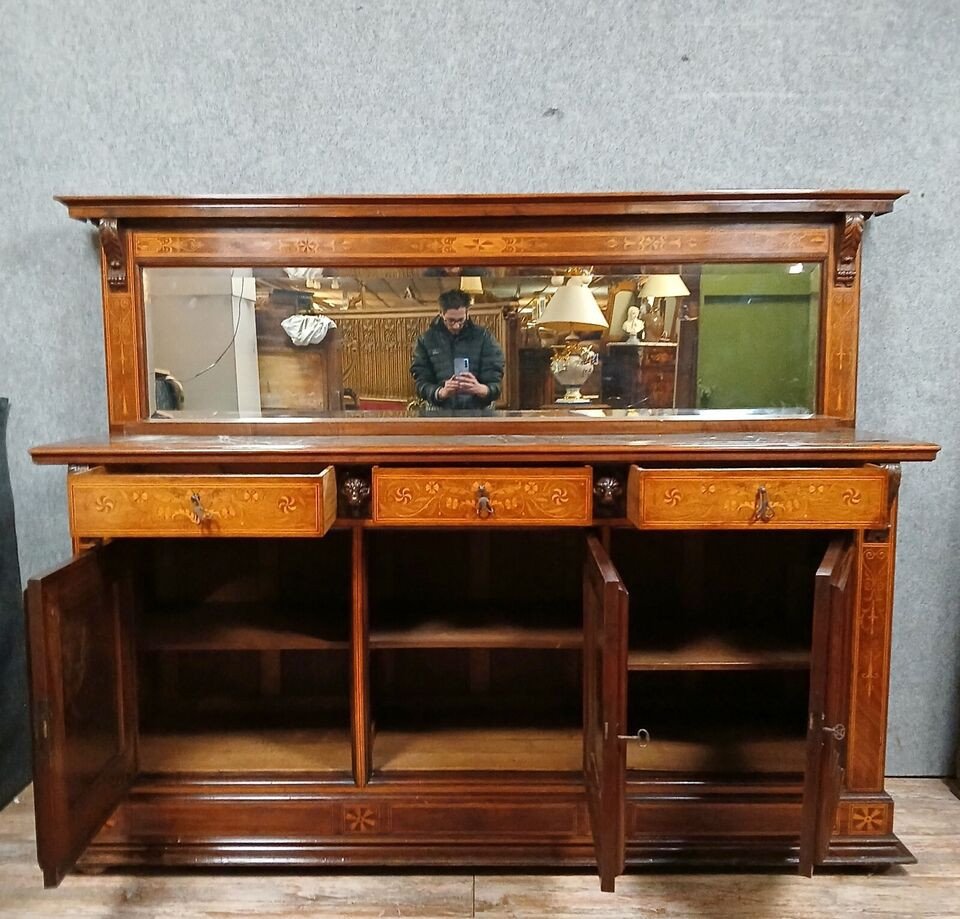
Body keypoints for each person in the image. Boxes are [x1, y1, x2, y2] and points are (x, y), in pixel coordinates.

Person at [410, 288, 505, 410]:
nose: (456, 326)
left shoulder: (484, 337)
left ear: (467, 313)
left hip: (478, 411)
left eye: (460, 320)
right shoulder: (426, 340)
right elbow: (420, 382)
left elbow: (495, 380)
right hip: (440, 412)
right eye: (451, 321)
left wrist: (481, 389)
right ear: (441, 313)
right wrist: (441, 392)